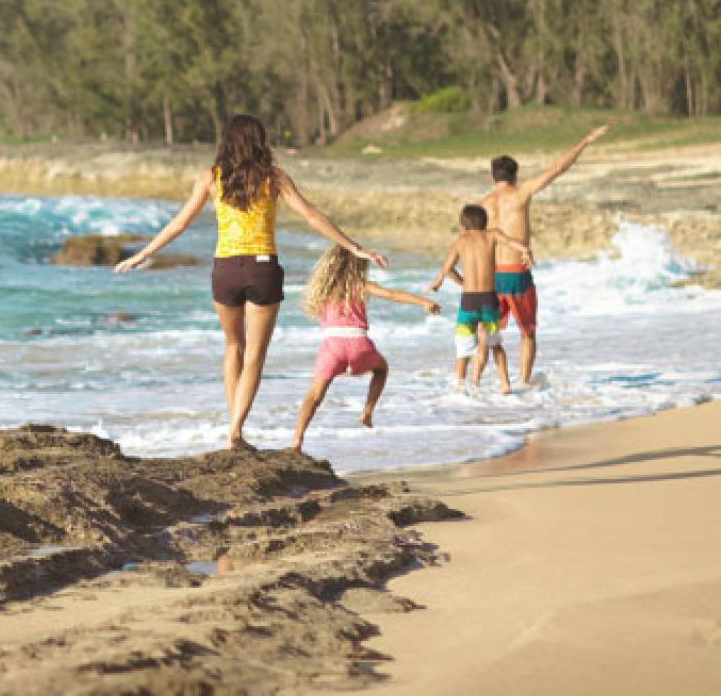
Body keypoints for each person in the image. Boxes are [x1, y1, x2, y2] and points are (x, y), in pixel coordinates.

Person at [115, 115, 387, 449]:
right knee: (255, 354)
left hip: (225, 269)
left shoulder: (211, 179)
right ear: (260, 141)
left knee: (233, 347)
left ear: (226, 142)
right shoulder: (274, 178)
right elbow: (313, 217)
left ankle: (236, 431)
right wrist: (356, 248)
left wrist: (143, 254)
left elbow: (179, 224)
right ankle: (235, 430)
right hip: (263, 270)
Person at [478, 126, 609, 384]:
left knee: (487, 331)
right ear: (515, 176)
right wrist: (585, 140)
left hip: (491, 276)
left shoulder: (481, 204)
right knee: (527, 333)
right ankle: (523, 383)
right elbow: (557, 168)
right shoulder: (520, 193)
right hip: (517, 273)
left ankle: (476, 383)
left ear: (493, 177)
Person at [292, 246, 439, 452]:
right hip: (359, 344)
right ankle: (367, 411)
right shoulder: (360, 284)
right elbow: (392, 294)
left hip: (332, 347)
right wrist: (423, 301)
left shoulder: (323, 288)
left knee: (314, 396)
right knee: (381, 370)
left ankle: (297, 439)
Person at [428, 204, 532, 394]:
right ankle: (505, 384)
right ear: (486, 223)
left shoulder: (461, 240)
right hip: (489, 301)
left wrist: (459, 282)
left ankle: (459, 388)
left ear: (463, 226)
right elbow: (510, 242)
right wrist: (524, 250)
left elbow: (447, 268)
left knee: (463, 351)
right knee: (495, 345)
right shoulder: (492, 235)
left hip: (468, 301)